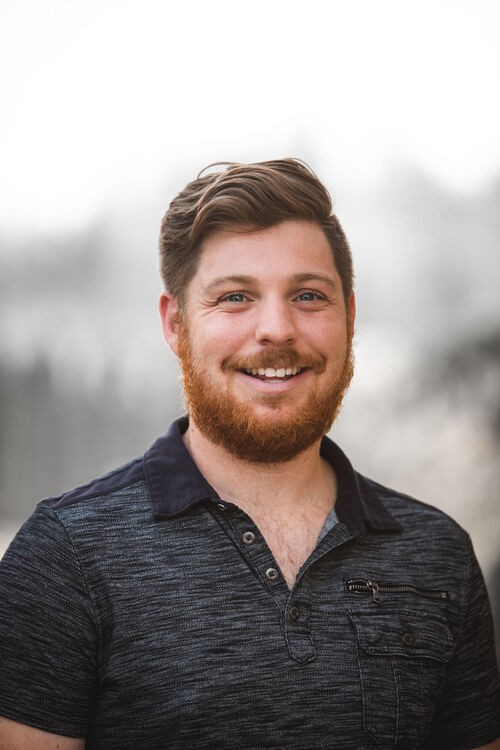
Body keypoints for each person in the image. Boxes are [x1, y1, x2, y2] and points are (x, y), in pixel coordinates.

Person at [0, 159, 499, 750]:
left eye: (308, 295)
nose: (277, 329)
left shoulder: (438, 555)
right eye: (235, 297)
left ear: (349, 317)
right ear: (175, 324)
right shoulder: (63, 557)